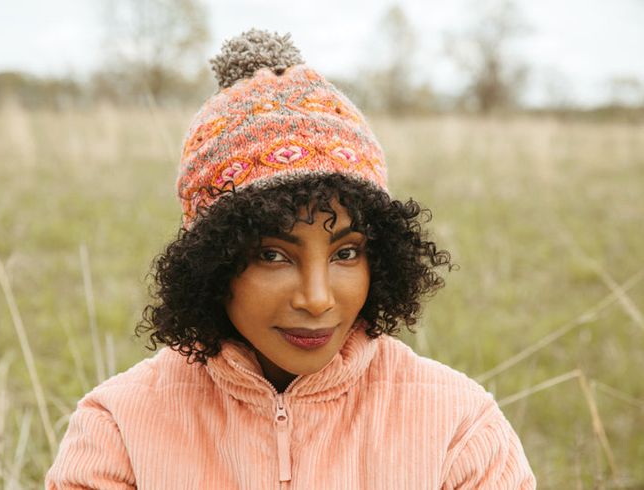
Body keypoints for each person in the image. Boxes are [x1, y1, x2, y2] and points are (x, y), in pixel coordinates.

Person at [46, 29, 536, 489]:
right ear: (212, 261)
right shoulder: (119, 430)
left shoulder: (458, 427)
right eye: (274, 255)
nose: (318, 299)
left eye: (346, 252)